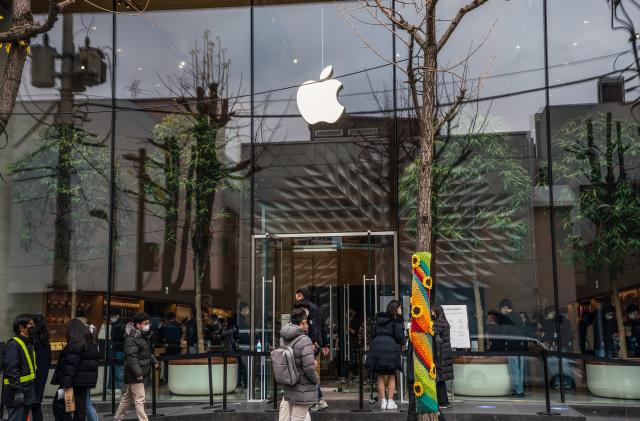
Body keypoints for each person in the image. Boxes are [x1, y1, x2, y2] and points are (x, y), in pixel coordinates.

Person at [51, 317, 100, 421]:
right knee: (79, 408)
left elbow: (71, 366)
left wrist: (65, 385)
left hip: (73, 382)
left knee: (59, 405)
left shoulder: (75, 343)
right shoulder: (90, 343)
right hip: (82, 383)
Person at [114, 312, 159, 421]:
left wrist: (155, 362)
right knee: (140, 398)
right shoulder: (131, 339)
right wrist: (138, 373)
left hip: (138, 372)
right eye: (145, 323)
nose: (148, 325)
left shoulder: (143, 336)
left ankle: (118, 417)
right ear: (138, 325)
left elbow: (146, 352)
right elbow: (131, 358)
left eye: (148, 323)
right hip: (135, 373)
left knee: (128, 397)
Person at [277, 308, 319, 421]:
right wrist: (316, 379)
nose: (308, 325)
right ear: (303, 322)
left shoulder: (283, 338)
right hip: (302, 387)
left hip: (289, 384)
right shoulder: (305, 340)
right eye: (307, 322)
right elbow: (309, 368)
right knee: (297, 418)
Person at [294, 288, 329, 412]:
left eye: (296, 295)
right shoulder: (318, 309)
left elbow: (311, 325)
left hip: (309, 343)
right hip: (316, 343)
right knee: (310, 371)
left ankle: (319, 400)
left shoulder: (303, 306)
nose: (295, 298)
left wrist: (313, 341)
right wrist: (325, 344)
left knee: (308, 372)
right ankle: (316, 399)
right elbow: (323, 327)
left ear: (300, 295)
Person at [366, 300, 404, 410]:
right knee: (391, 374)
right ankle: (390, 401)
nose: (401, 310)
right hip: (390, 347)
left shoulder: (378, 320)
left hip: (377, 347)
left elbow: (372, 334)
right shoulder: (395, 321)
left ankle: (383, 401)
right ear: (396, 309)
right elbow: (399, 337)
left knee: (380, 375)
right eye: (400, 308)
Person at [2, 314, 37, 421]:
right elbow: (12, 370)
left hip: (27, 391)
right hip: (17, 392)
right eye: (30, 324)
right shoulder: (13, 344)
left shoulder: (28, 343)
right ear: (21, 327)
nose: (33, 326)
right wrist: (18, 391)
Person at [498, 299, 526, 397]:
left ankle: (518, 390)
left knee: (514, 368)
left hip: (512, 346)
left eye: (501, 309)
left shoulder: (507, 318)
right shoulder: (518, 316)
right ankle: (520, 389)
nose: (501, 311)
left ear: (505, 308)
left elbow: (504, 333)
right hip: (521, 346)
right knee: (520, 368)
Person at [30, 314, 52, 421]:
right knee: (37, 406)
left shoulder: (33, 338)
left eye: (31, 323)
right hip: (42, 376)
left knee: (31, 406)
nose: (29, 325)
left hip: (33, 376)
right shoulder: (46, 341)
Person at [433, 305, 453, 408]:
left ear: (436, 312)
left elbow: (432, 332)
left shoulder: (438, 324)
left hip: (440, 355)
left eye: (432, 312)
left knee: (439, 378)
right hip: (444, 354)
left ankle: (442, 402)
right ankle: (444, 401)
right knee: (441, 379)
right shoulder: (445, 323)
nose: (431, 314)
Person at [108, 309, 127, 392]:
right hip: (120, 349)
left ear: (118, 316)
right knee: (118, 368)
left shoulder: (118, 325)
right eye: (111, 317)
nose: (111, 318)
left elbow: (118, 337)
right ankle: (116, 387)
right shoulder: (120, 324)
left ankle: (117, 387)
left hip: (117, 349)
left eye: (113, 316)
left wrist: (111, 337)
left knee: (118, 368)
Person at [237, 303, 250, 389]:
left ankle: (241, 383)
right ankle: (246, 383)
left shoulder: (241, 320)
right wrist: (248, 334)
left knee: (242, 366)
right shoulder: (240, 321)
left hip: (242, 346)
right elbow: (241, 334)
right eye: (247, 309)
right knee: (245, 366)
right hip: (244, 346)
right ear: (243, 310)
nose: (248, 311)